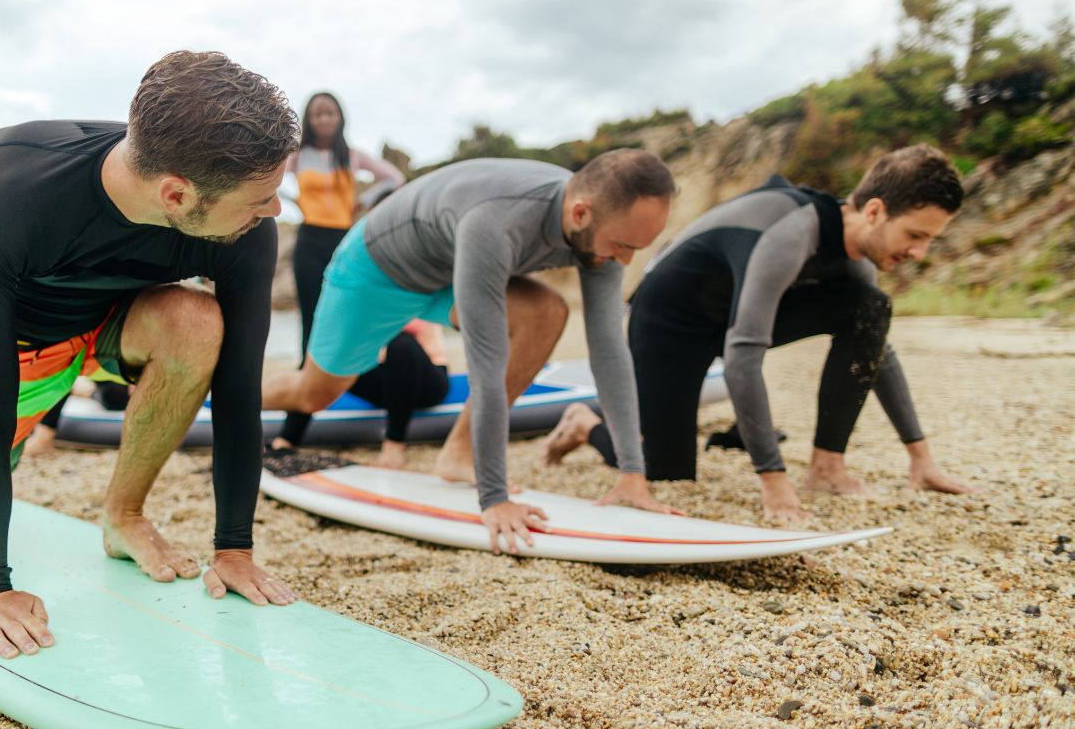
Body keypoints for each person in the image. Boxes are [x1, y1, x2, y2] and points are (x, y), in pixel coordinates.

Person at [0, 50, 301, 663]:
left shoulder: (243, 228)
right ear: (176, 195)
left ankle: (123, 515)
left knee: (200, 323)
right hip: (24, 343)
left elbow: (237, 390)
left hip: (124, 325)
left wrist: (233, 547)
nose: (275, 211)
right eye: (262, 197)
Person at [262, 150, 684, 554]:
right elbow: (486, 363)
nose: (625, 262)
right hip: (377, 270)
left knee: (545, 313)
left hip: (448, 271)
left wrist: (632, 472)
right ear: (580, 213)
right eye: (623, 246)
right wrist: (494, 498)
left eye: (636, 250)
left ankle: (458, 453)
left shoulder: (602, 233)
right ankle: (225, 392)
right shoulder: (497, 219)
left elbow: (609, 350)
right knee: (314, 393)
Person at [542, 145, 976, 522]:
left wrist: (921, 458)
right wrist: (773, 478)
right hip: (669, 322)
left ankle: (827, 468)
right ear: (876, 211)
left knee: (869, 309)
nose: (920, 253)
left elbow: (876, 348)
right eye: (915, 235)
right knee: (665, 469)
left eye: (929, 240)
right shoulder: (793, 229)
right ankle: (586, 423)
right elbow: (743, 357)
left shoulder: (857, 258)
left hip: (729, 316)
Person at [271, 92, 447, 466]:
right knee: (310, 334)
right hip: (309, 242)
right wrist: (293, 199)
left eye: (330, 112)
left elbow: (394, 178)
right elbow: (268, 175)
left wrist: (364, 202)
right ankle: (292, 434)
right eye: (317, 113)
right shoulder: (298, 157)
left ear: (340, 118)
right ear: (309, 118)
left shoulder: (352, 157)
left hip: (344, 240)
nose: (324, 119)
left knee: (348, 323)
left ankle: (344, 398)